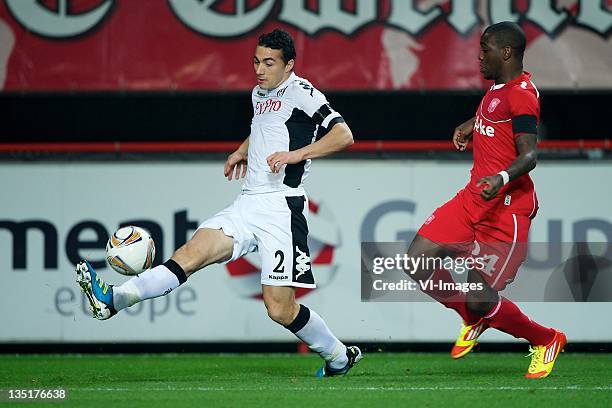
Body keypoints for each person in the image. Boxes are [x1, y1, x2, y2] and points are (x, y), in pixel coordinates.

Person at [76, 28, 361, 377]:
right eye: (256, 61)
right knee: (189, 255)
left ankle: (339, 356)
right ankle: (113, 300)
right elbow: (265, 125)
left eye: (269, 63)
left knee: (279, 309)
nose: (260, 69)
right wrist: (242, 150)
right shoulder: (260, 93)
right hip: (247, 204)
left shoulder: (303, 92)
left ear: (289, 65)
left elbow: (344, 135)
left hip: (281, 209)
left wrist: (295, 155)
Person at [404, 22, 565, 379]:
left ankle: (546, 339)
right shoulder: (499, 87)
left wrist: (503, 177)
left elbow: (530, 155)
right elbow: (495, 117)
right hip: (474, 197)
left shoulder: (521, 94)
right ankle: (471, 317)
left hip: (506, 207)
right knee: (416, 261)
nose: (479, 56)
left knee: (480, 296)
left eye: (485, 49)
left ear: (506, 52)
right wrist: (470, 124)